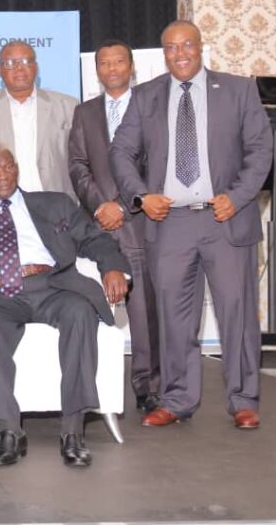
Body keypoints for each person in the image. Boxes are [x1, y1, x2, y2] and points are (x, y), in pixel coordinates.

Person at [0, 143, 129, 468]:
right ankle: (9, 430)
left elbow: (94, 238)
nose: (2, 175)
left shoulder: (54, 203)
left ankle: (73, 431)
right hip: (0, 295)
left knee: (80, 312)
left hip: (53, 285)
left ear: (16, 170)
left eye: (8, 167)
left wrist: (112, 268)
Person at [109, 20, 273, 430]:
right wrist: (141, 196)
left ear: (200, 48)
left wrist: (237, 197)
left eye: (186, 45)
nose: (179, 53)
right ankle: (177, 399)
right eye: (170, 47)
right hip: (170, 223)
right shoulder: (145, 96)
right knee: (174, 317)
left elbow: (260, 150)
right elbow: (121, 152)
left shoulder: (238, 90)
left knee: (237, 314)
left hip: (225, 219)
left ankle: (244, 400)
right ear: (163, 54)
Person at [68, 39, 161, 412]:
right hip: (96, 226)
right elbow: (77, 164)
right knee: (88, 307)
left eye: (119, 61)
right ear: (97, 71)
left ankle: (147, 387)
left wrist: (123, 206)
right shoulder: (85, 112)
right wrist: (101, 206)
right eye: (104, 63)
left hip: (139, 223)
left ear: (131, 66)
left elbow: (157, 165)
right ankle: (89, 388)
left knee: (143, 312)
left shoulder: (152, 107)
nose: (112, 69)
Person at [0, 41, 77, 198]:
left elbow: (81, 162)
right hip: (1, 204)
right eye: (10, 63)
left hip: (55, 201)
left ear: (36, 67)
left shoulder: (67, 106)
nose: (19, 68)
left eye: (25, 61)